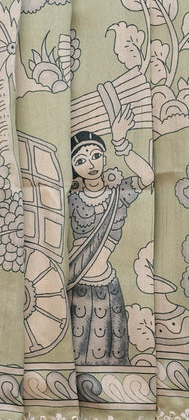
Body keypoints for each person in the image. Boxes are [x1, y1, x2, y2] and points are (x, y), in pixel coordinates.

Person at [68, 104, 154, 365]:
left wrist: (121, 143)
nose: (90, 164)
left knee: (111, 351)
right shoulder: (71, 198)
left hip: (108, 286)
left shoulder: (118, 196)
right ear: (73, 167)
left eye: (96, 155)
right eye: (80, 160)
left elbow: (147, 177)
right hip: (78, 283)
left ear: (105, 158)